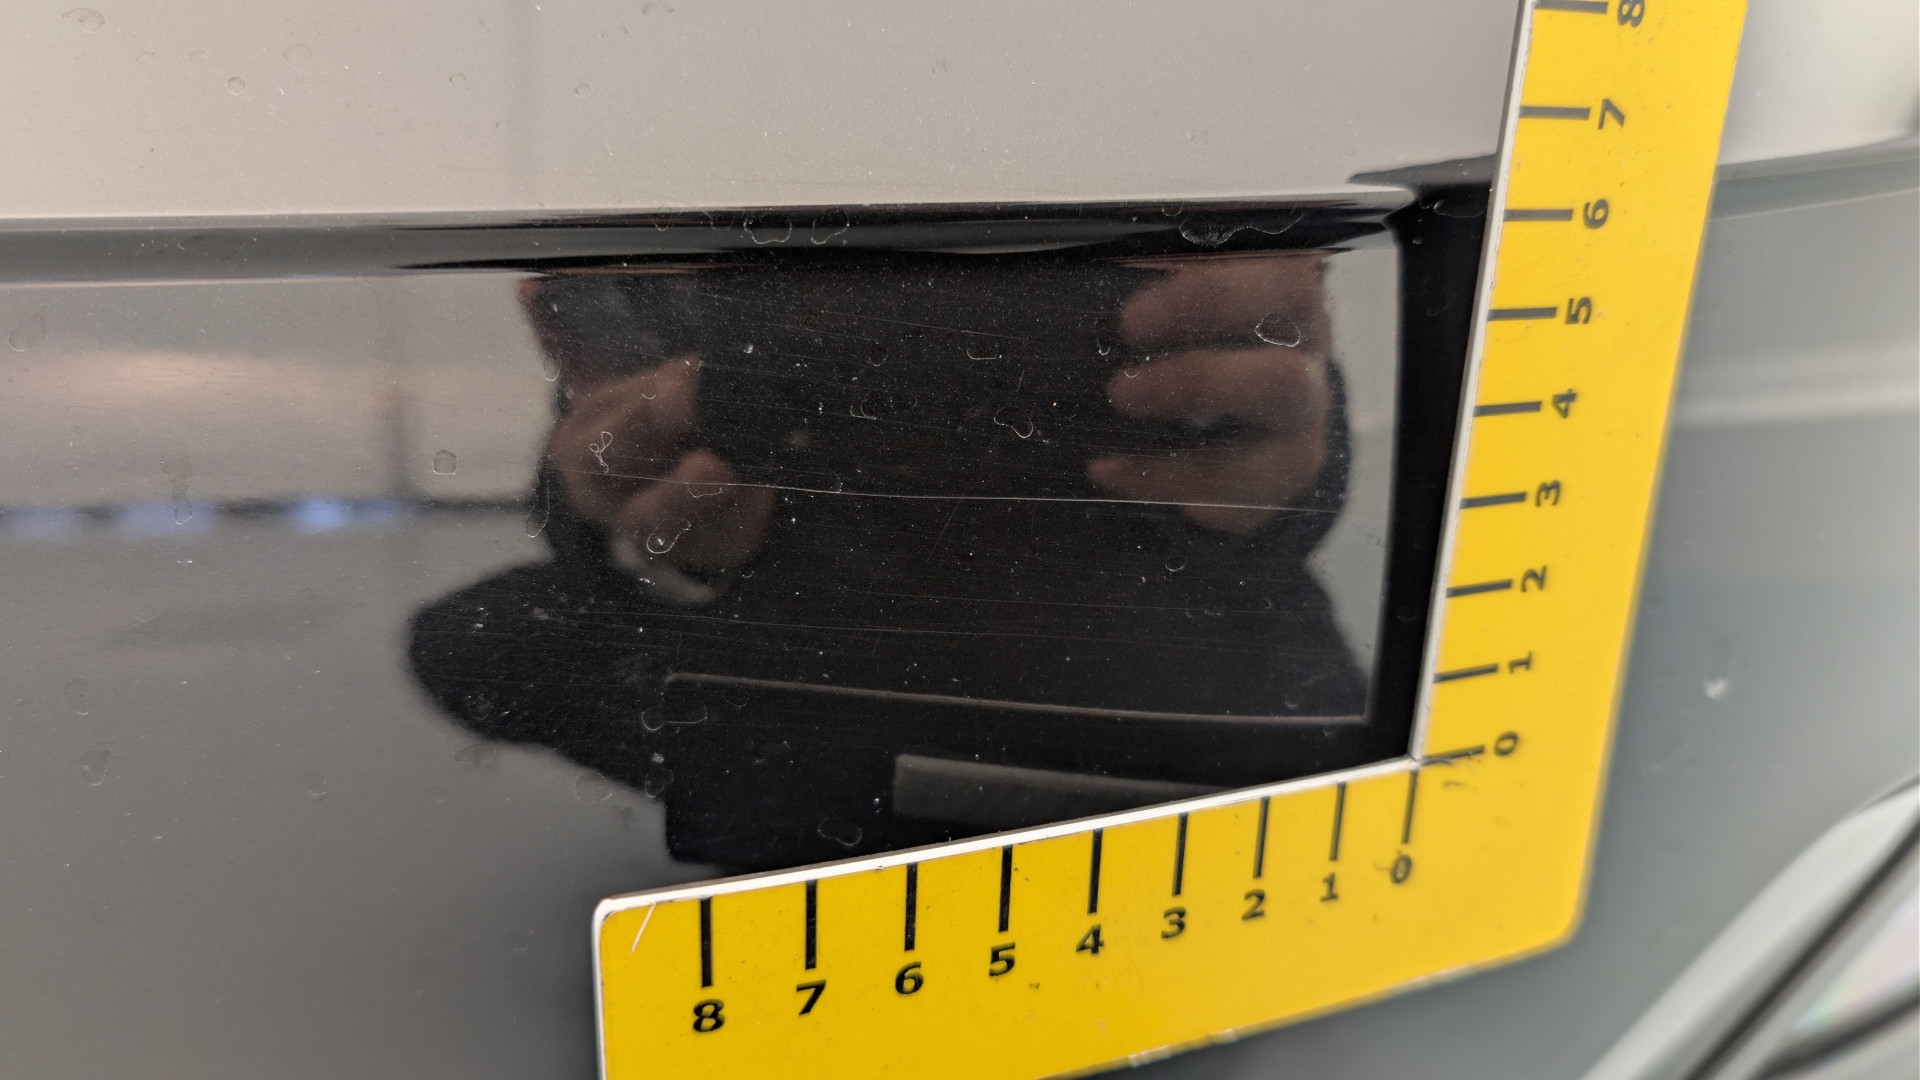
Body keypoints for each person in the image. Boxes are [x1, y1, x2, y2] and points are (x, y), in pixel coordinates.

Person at [409, 241, 1368, 870]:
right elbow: (597, 451)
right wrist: (630, 530)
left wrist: (1287, 470)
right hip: (893, 668)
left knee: (479, 639)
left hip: (891, 705)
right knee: (477, 638)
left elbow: (1275, 428)